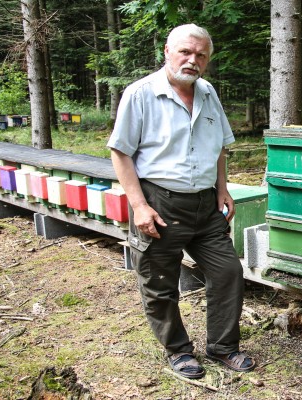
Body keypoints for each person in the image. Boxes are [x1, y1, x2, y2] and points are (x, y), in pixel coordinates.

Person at [107, 23, 256, 379]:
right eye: (185, 52)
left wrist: (223, 189)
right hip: (160, 203)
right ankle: (177, 350)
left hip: (205, 205)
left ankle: (223, 346)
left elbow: (219, 145)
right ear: (167, 52)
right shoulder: (140, 94)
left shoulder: (207, 92)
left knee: (227, 272)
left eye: (201, 55)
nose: (193, 60)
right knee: (159, 283)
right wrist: (140, 206)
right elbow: (120, 152)